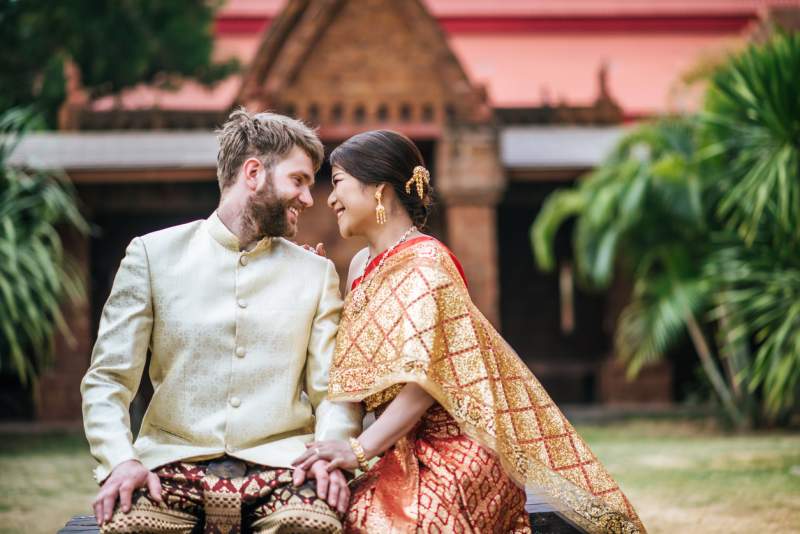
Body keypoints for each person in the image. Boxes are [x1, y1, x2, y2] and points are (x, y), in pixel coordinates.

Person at [291, 130, 647, 533]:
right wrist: (303, 281)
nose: (330, 199)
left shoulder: (428, 265)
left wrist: (359, 450)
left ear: (379, 189)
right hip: (400, 449)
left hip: (457, 448)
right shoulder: (359, 266)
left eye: (337, 183)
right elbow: (350, 361)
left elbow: (424, 383)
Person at [80, 108, 362, 533]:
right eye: (298, 180)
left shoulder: (316, 274)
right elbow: (108, 380)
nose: (309, 198)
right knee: (128, 526)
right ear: (253, 173)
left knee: (313, 524)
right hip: (169, 463)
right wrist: (120, 460)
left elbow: (332, 391)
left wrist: (329, 453)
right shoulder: (152, 256)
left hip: (286, 467)